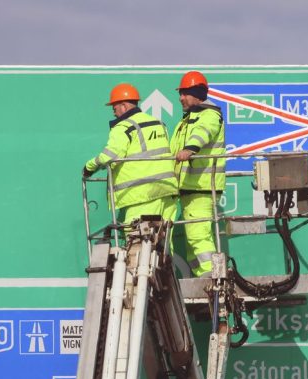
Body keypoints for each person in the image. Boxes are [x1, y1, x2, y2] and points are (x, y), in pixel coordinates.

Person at [83, 83, 178, 225]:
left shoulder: (123, 127)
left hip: (142, 195)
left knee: (138, 242)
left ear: (124, 106)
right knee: (162, 244)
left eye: (114, 108)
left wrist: (88, 168)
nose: (114, 113)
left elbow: (109, 156)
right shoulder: (158, 123)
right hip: (167, 192)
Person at [169, 71, 226, 277]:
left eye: (185, 93)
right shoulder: (188, 120)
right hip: (190, 189)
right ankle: (202, 279)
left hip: (201, 188)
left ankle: (213, 279)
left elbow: (203, 132)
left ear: (197, 94)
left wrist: (190, 149)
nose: (181, 98)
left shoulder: (209, 114)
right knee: (192, 240)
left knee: (199, 236)